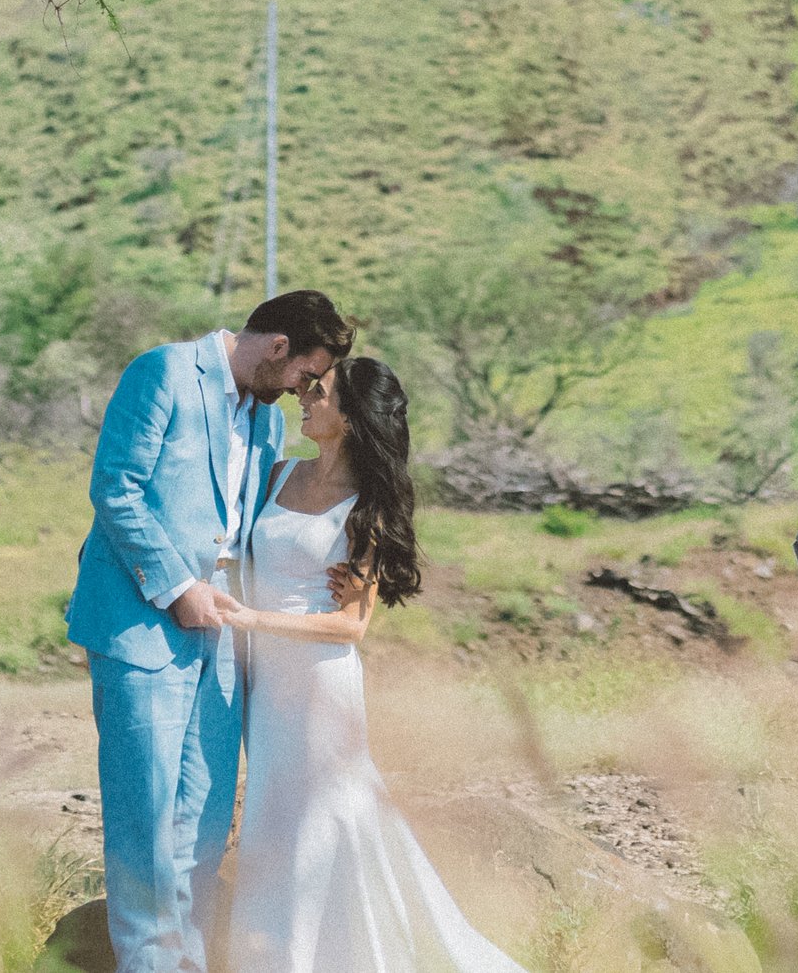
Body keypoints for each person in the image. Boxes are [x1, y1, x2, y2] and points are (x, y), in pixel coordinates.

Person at [66, 290, 354, 973]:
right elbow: (116, 487)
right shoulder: (162, 372)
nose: (301, 390)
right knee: (146, 811)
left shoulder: (264, 421)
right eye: (303, 373)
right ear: (277, 346)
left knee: (202, 813)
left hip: (223, 633)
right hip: (141, 623)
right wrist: (176, 586)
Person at [222, 356, 529, 973]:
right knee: (275, 814)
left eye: (322, 391)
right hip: (265, 680)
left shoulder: (366, 508)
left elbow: (350, 623)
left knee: (322, 817)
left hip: (319, 681)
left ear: (352, 417)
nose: (305, 397)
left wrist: (249, 620)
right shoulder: (278, 473)